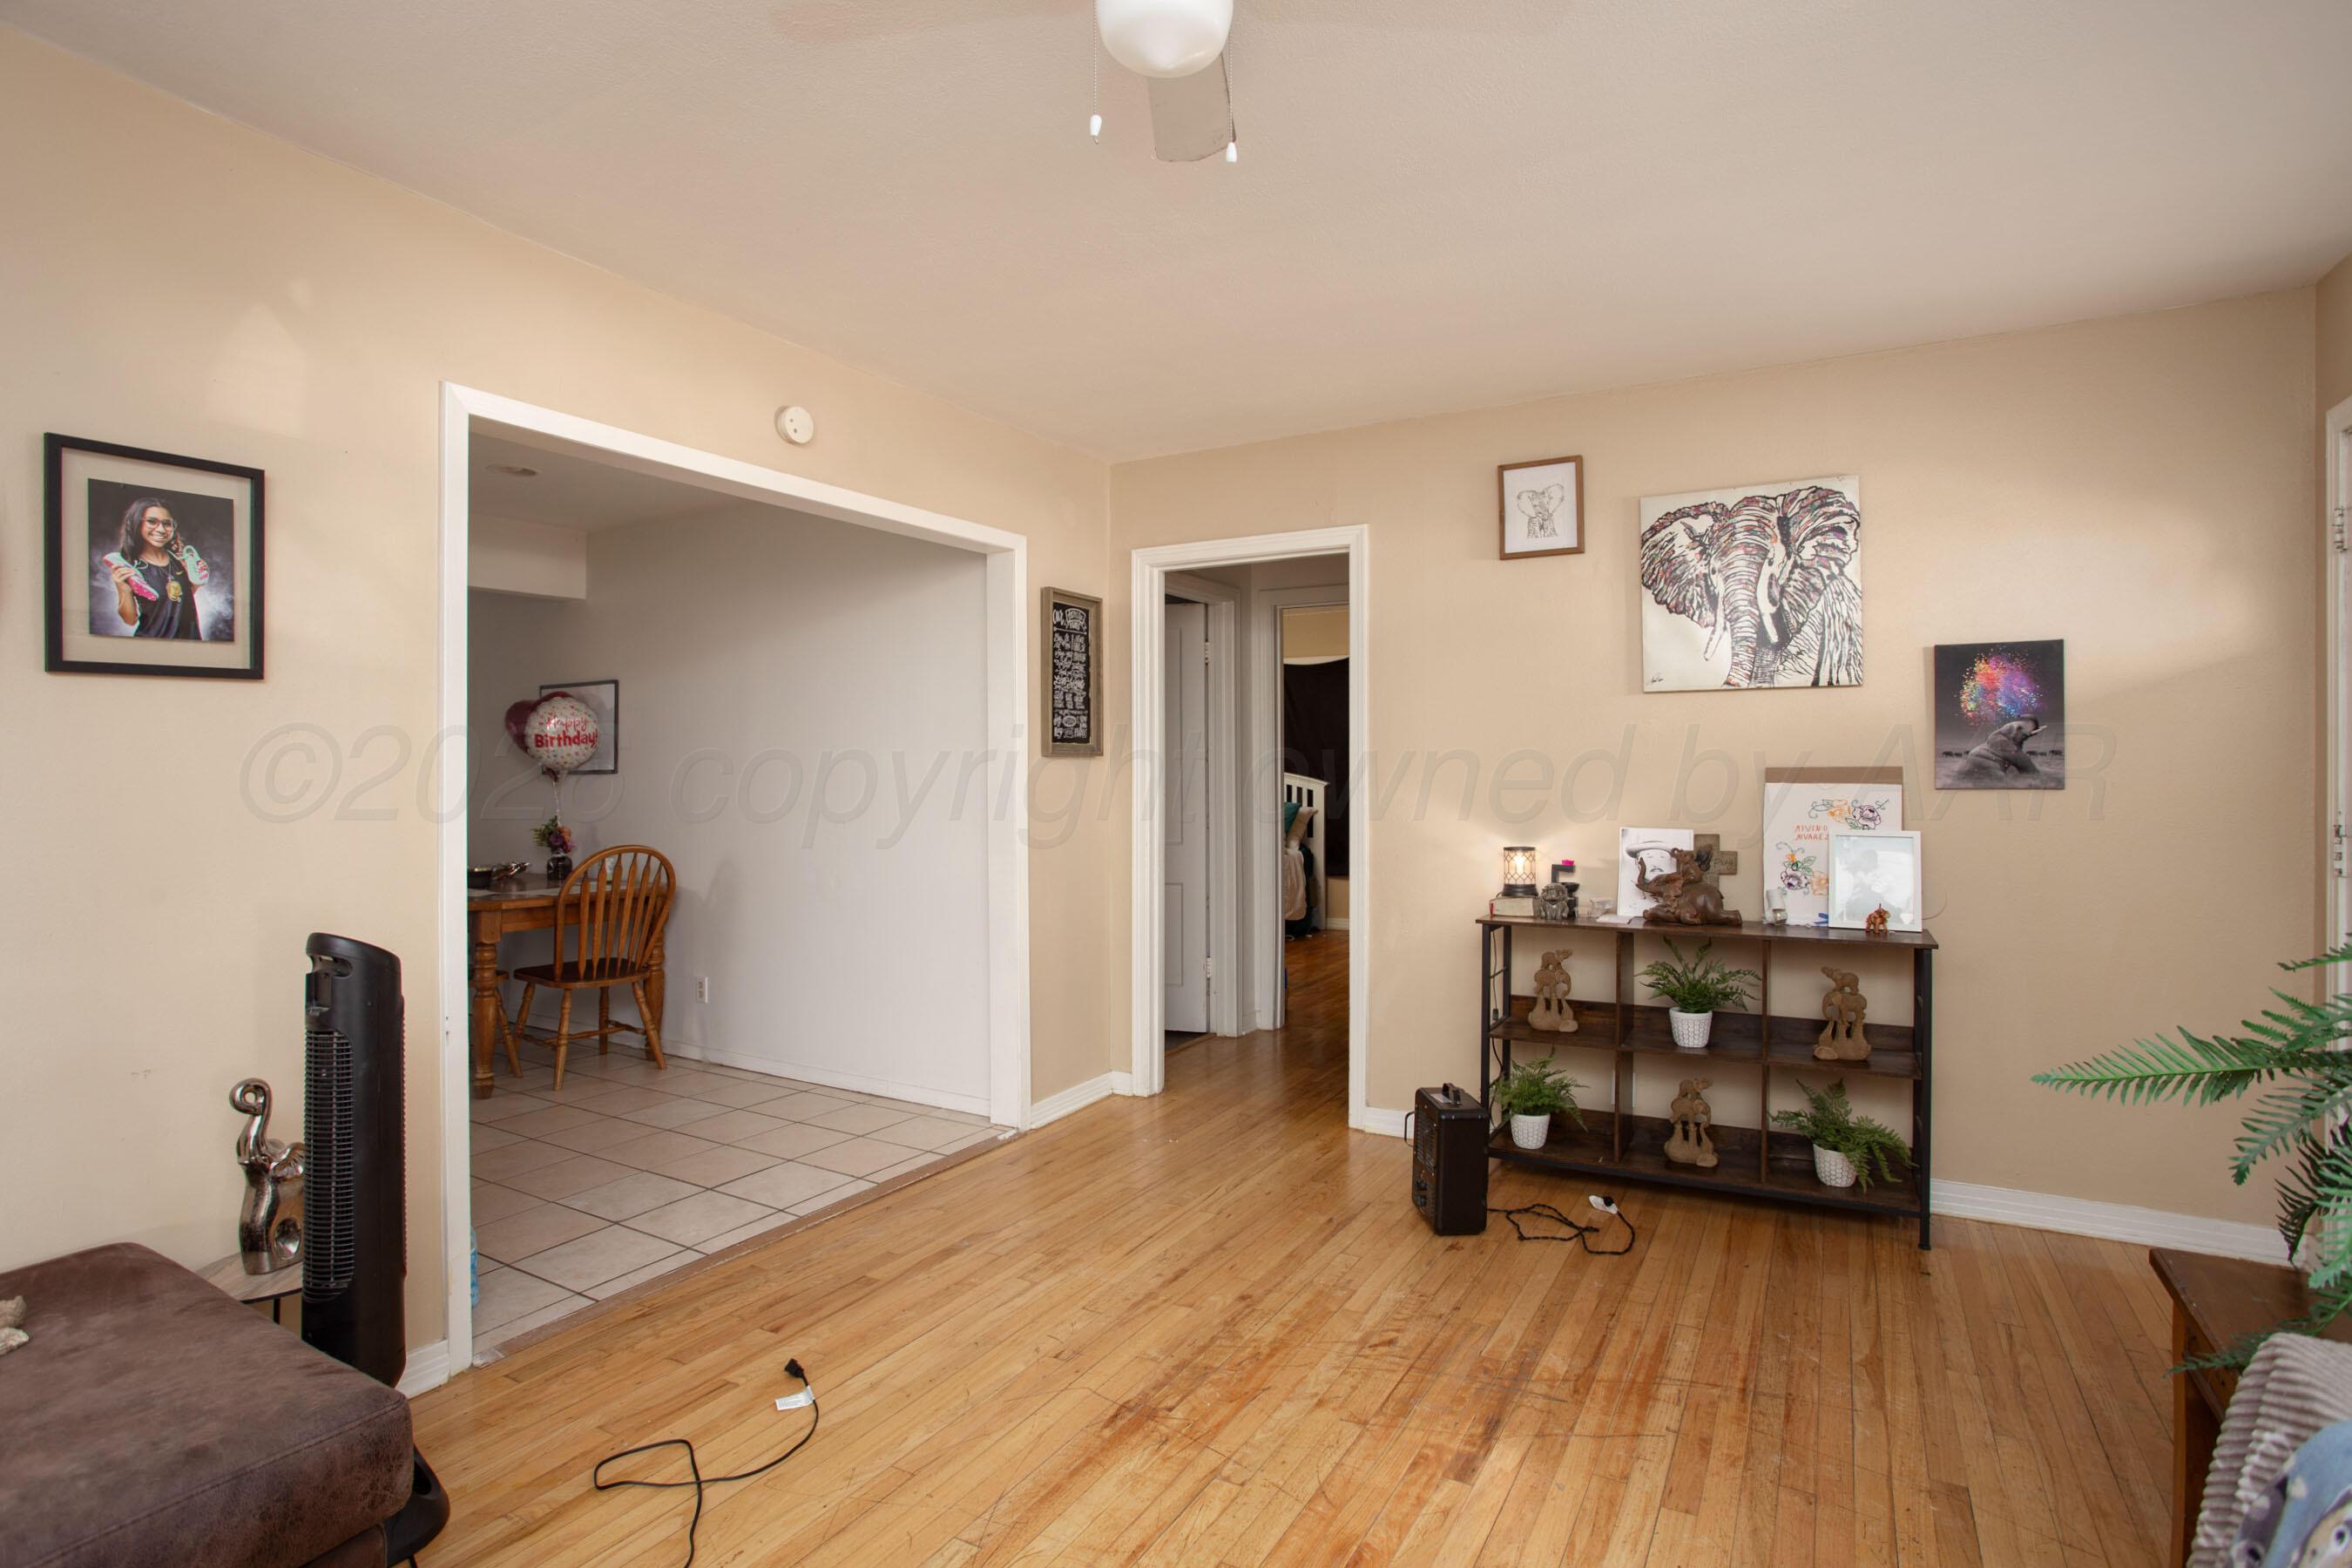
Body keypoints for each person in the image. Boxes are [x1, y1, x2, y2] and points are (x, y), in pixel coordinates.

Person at [105, 497, 207, 639]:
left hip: (189, 645)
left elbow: (180, 599)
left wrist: (196, 578)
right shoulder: (131, 567)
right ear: (136, 523)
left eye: (167, 524)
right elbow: (130, 620)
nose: (161, 529)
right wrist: (123, 589)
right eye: (152, 521)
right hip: (151, 647)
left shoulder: (179, 559)